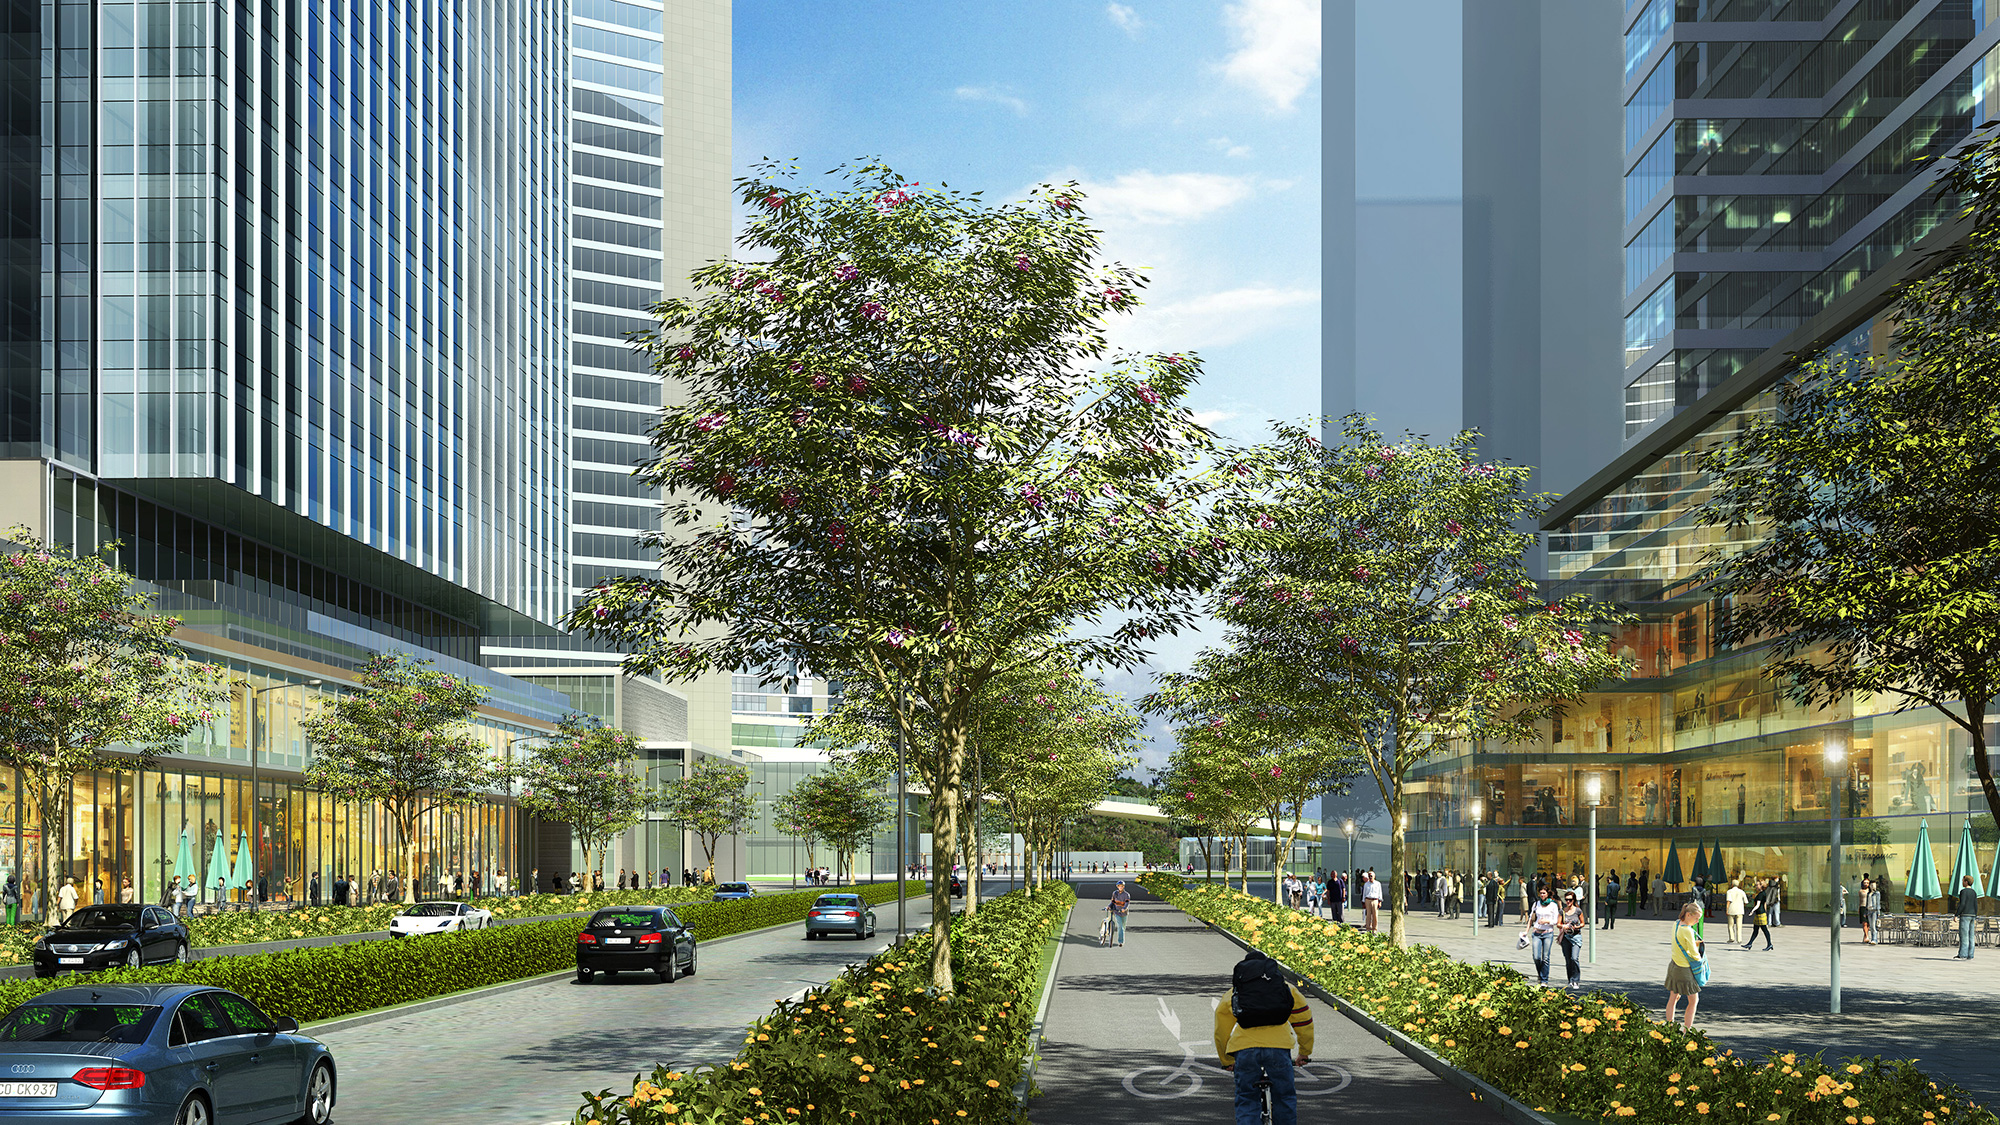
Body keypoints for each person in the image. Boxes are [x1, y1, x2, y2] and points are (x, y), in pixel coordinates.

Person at [1214, 948, 1315, 1125]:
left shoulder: (1233, 993)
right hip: (1279, 1048)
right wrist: (1304, 1052)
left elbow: (1221, 1032)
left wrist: (1226, 1060)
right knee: (1284, 1097)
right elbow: (1303, 1021)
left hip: (1244, 1050)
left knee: (1246, 1098)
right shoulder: (1286, 990)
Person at [1664, 901, 1706, 1029]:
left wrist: (1693, 943)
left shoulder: (1676, 924)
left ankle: (1669, 1027)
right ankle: (1686, 1031)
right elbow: (1693, 954)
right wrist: (1701, 960)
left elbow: (1679, 941)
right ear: (1688, 915)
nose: (1697, 921)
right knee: (1693, 1001)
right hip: (1684, 969)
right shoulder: (1687, 930)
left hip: (1673, 966)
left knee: (1673, 998)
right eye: (1696, 918)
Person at [1526, 887, 1559, 986]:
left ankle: (1544, 979)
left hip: (1548, 933)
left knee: (1545, 957)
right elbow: (1531, 918)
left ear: (1548, 894)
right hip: (1536, 932)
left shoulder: (1553, 905)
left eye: (1544, 893)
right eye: (1540, 893)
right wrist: (1526, 931)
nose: (1542, 895)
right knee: (1536, 957)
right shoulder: (1536, 904)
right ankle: (1540, 974)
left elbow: (1556, 920)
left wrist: (1547, 921)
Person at [1558, 890, 1585, 990]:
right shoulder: (1562, 911)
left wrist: (1577, 927)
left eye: (1570, 900)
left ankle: (1576, 980)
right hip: (1565, 938)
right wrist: (1564, 926)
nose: (1568, 902)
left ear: (1573, 900)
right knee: (1568, 960)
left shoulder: (1578, 910)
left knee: (1574, 958)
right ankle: (1570, 980)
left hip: (1576, 937)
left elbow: (1583, 923)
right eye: (1566, 900)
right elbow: (1558, 924)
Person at [1742, 878, 1775, 951]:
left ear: (1761, 885)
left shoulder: (1761, 894)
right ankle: (1750, 943)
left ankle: (1769, 944)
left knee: (1764, 930)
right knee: (1756, 930)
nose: (1756, 886)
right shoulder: (1762, 893)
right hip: (1760, 914)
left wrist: (1752, 911)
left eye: (1757, 885)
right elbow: (1764, 904)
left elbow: (1758, 905)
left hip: (1760, 914)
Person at [1956, 874, 1980, 959]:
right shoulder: (1974, 892)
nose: (1962, 882)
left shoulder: (1963, 891)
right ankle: (1971, 954)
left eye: (1963, 881)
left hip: (1965, 915)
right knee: (1971, 936)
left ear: (1966, 882)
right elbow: (1975, 905)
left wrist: (1956, 914)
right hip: (1972, 915)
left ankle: (1963, 954)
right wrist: (1975, 914)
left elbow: (1962, 904)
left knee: (1964, 935)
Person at [1723, 879, 1747, 944]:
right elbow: (1746, 901)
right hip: (1740, 910)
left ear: (1732, 884)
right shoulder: (1742, 892)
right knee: (1739, 926)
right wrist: (1742, 906)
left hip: (1731, 910)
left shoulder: (1729, 891)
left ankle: (1731, 938)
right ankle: (1739, 939)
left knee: (1731, 925)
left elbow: (1728, 901)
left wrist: (1727, 909)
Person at [1108, 881, 1132, 946]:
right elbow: (1112, 902)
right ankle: (1120, 941)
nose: (1120, 887)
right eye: (1119, 886)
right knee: (1120, 927)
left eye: (1121, 886)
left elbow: (1127, 903)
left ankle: (1121, 938)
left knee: (1123, 927)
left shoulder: (1126, 895)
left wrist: (1124, 908)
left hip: (1124, 913)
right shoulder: (1115, 893)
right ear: (1117, 887)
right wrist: (1109, 906)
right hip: (1116, 912)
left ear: (1123, 887)